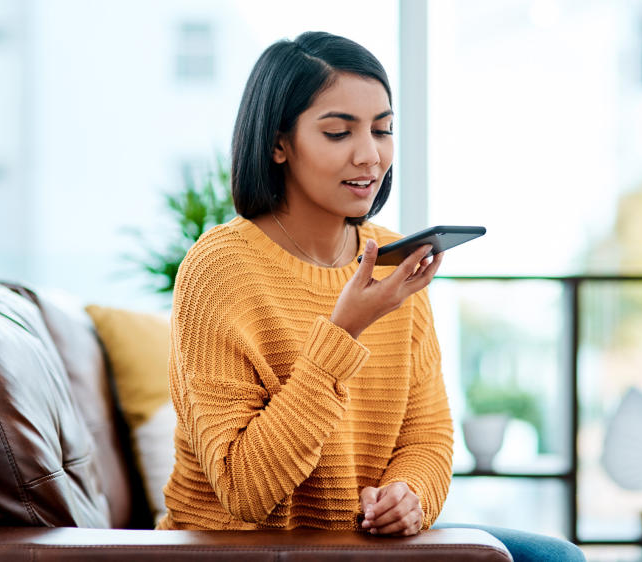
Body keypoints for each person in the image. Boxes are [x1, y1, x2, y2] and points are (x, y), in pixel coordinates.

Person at [157, 31, 585, 561]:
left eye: (382, 130)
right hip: (249, 551)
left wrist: (410, 496)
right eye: (338, 133)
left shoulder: (389, 257)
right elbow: (245, 490)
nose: (370, 155)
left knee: (557, 557)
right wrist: (343, 331)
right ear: (278, 143)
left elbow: (427, 435)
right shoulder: (219, 269)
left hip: (364, 548)